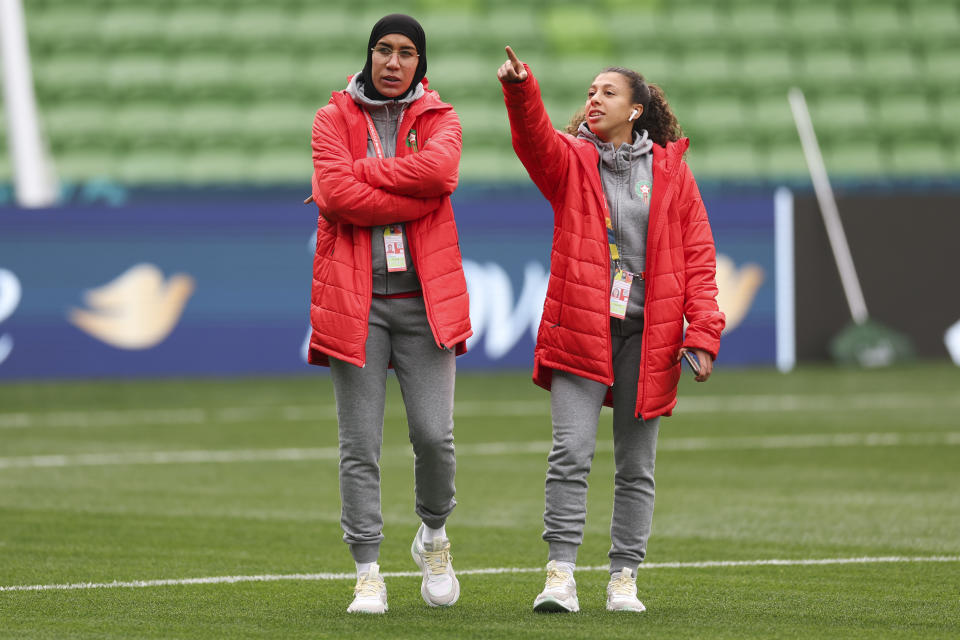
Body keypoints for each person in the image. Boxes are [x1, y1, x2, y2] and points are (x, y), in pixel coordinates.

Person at [497, 46, 725, 613]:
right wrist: (522, 91)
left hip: (650, 336)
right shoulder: (572, 160)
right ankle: (560, 575)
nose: (593, 100)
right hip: (581, 328)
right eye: (590, 92)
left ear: (637, 110)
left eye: (608, 93)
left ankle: (623, 576)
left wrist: (702, 334)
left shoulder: (673, 172)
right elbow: (533, 143)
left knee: (636, 466)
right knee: (570, 453)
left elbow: (698, 258)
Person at [307, 14, 471, 614]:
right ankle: (368, 570)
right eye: (383, 50)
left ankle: (433, 534)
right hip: (356, 304)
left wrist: (363, 178)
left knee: (435, 437)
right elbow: (335, 195)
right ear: (369, 55)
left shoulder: (443, 119)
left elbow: (441, 173)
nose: (394, 62)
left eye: (406, 53)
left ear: (419, 63)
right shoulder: (332, 118)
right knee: (360, 445)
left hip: (425, 304)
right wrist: (408, 192)